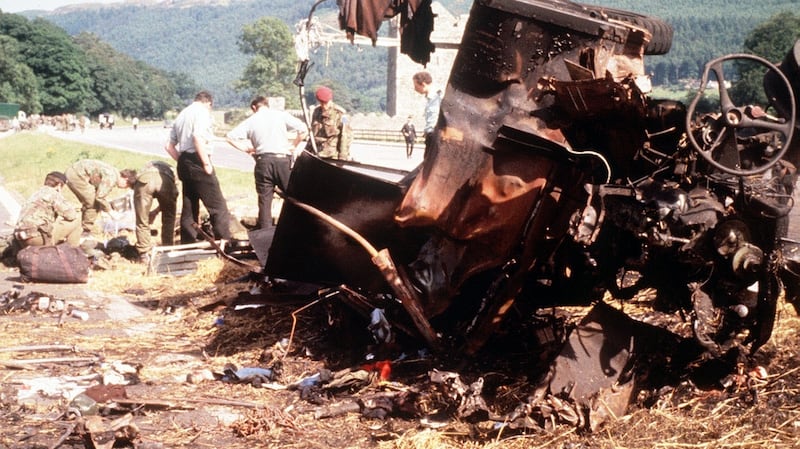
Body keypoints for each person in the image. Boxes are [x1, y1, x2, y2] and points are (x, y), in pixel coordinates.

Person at [226, 95, 308, 229]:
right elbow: (303, 129)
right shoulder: (280, 115)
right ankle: (299, 226)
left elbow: (229, 137)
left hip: (262, 161)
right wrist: (294, 144)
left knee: (264, 201)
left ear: (254, 107)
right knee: (293, 197)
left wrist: (248, 149)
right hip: (282, 160)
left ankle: (265, 232)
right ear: (267, 105)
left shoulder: (251, 120)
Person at [164, 90, 233, 244]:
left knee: (189, 207)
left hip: (184, 162)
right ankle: (225, 244)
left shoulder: (182, 114)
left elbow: (168, 146)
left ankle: (188, 241)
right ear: (208, 102)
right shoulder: (202, 113)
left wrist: (182, 160)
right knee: (218, 207)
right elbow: (197, 137)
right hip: (198, 160)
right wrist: (206, 163)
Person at [64, 159, 136, 233]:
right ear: (126, 179)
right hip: (77, 175)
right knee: (92, 204)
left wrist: (103, 208)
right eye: (127, 185)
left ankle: (79, 225)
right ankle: (85, 232)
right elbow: (100, 197)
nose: (125, 188)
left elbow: (99, 192)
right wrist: (110, 211)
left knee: (91, 201)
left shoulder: (114, 172)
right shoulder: (112, 178)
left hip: (75, 172)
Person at [13, 171, 81, 249]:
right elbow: (71, 215)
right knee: (77, 221)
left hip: (20, 238)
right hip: (37, 238)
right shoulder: (53, 193)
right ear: (59, 185)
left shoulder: (35, 194)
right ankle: (72, 253)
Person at [133, 160, 178, 262]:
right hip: (165, 181)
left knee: (142, 220)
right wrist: (156, 211)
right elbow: (173, 196)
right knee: (169, 219)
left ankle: (144, 254)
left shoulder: (145, 167)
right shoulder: (171, 169)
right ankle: (167, 250)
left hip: (145, 180)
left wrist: (154, 212)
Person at [308, 86, 352, 161]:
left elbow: (345, 136)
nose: (323, 106)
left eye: (325, 103)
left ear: (330, 100)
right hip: (316, 153)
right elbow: (312, 133)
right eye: (321, 103)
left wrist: (342, 157)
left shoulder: (341, 114)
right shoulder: (316, 111)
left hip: (331, 155)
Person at [412, 71, 442, 158]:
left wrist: (431, 132)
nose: (415, 89)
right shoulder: (430, 99)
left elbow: (436, 117)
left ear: (423, 84)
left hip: (434, 136)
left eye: (416, 86)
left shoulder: (437, 98)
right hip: (430, 135)